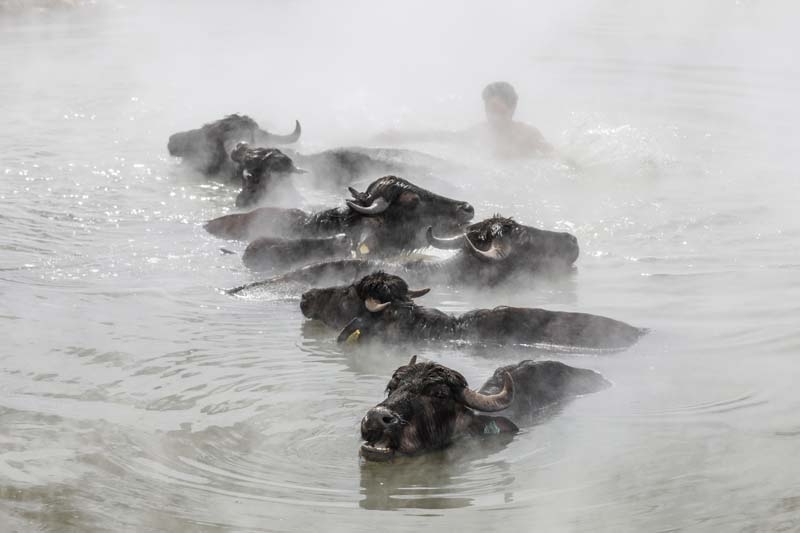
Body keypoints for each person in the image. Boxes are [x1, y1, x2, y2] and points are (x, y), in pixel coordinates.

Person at [373, 81, 553, 159]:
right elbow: (442, 137)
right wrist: (403, 137)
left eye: (499, 111)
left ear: (513, 108)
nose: (493, 117)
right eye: (489, 110)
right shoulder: (480, 133)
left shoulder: (528, 134)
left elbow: (555, 157)